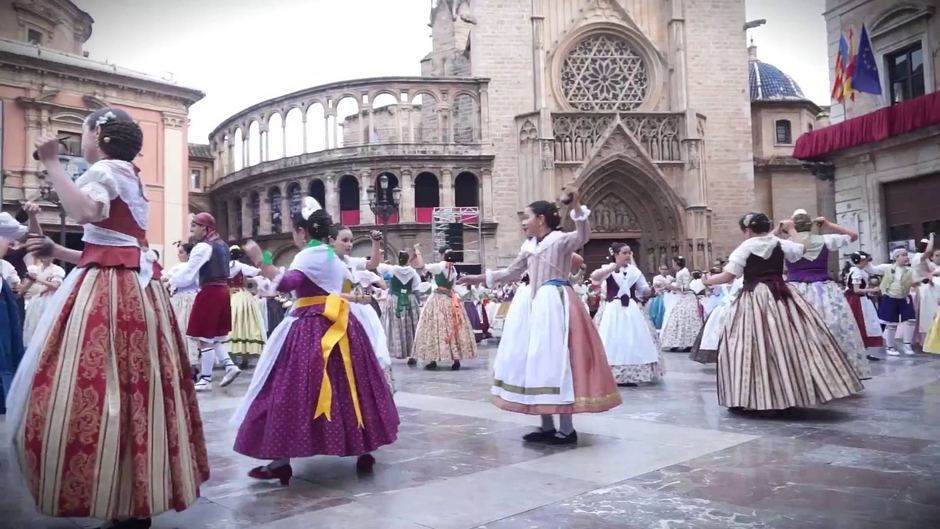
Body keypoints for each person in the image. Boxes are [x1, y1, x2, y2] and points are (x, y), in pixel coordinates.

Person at [8, 109, 209, 529]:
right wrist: (59, 252)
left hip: (111, 292)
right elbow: (113, 243)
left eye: (82, 134)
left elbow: (85, 212)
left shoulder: (104, 168)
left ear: (97, 134)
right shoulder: (130, 174)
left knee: (94, 386)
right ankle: (135, 494)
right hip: (135, 286)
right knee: (140, 388)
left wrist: (50, 162)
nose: (80, 142)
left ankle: (113, 490)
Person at [231, 197, 399, 481]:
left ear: (302, 232)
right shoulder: (332, 254)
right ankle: (364, 448)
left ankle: (280, 458)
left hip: (311, 326)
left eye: (295, 233)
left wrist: (262, 260)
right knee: (352, 385)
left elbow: (287, 283)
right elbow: (343, 285)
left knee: (288, 389)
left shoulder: (309, 254)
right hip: (343, 325)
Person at [458, 191, 620, 445]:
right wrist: (479, 278)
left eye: (527, 217)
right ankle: (545, 424)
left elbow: (583, 234)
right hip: (533, 307)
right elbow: (512, 272)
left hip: (556, 303)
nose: (523, 222)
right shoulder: (529, 246)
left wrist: (576, 205)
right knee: (535, 360)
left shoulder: (560, 241)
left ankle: (566, 429)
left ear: (541, 219)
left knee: (559, 361)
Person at [702, 213, 863, 412]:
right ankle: (788, 392)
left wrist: (708, 280)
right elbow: (801, 249)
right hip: (780, 294)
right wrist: (791, 230)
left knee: (748, 343)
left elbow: (728, 276)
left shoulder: (746, 247)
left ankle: (749, 394)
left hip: (754, 296)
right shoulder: (779, 243)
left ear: (748, 230)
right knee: (790, 340)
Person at [784, 210, 871, 380]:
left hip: (796, 289)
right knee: (833, 327)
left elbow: (760, 242)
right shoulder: (826, 240)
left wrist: (782, 229)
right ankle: (836, 370)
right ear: (810, 224)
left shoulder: (784, 243)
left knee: (799, 329)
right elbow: (853, 236)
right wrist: (828, 225)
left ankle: (804, 373)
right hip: (825, 290)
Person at [170, 213, 241, 391]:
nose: (193, 230)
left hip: (210, 291)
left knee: (203, 335)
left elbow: (189, 274)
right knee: (213, 336)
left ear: (205, 228)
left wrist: (171, 281)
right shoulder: (223, 245)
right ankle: (229, 366)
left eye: (195, 226)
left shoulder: (203, 247)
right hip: (223, 291)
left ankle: (206, 378)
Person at [329, 224, 394, 391]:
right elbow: (328, 294)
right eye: (344, 240)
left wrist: (375, 242)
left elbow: (373, 263)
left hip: (354, 308)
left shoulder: (349, 261)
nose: (349, 244)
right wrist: (356, 298)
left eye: (351, 240)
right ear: (331, 241)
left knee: (365, 347)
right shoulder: (328, 262)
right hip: (335, 310)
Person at [590, 242, 663, 386]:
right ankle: (611, 372)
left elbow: (643, 290)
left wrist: (653, 291)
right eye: (624, 253)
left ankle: (634, 372)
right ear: (616, 255)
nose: (628, 256)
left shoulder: (634, 271)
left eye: (629, 253)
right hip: (613, 308)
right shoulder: (608, 270)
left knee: (635, 338)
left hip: (631, 308)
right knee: (611, 338)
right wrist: (612, 267)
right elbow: (595, 277)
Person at [412, 247, 477, 370]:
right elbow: (452, 286)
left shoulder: (440, 266)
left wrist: (418, 251)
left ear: (442, 255)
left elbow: (421, 265)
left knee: (433, 327)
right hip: (450, 299)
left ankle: (433, 359)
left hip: (438, 298)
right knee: (452, 326)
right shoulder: (453, 269)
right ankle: (456, 359)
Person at [165, 242, 201, 374]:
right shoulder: (186, 268)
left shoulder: (186, 268)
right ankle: (189, 362)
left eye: (181, 252)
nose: (178, 255)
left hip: (186, 300)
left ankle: (190, 362)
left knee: (185, 330)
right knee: (184, 330)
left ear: (188, 254)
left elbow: (170, 279)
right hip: (182, 299)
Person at [227, 245, 266, 367]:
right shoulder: (240, 266)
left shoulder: (223, 266)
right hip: (241, 295)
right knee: (245, 324)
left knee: (231, 325)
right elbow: (257, 272)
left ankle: (230, 358)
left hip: (227, 295)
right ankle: (244, 358)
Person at [843, 251, 885, 359]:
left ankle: (865, 350)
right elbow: (856, 290)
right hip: (857, 301)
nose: (867, 262)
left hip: (860, 300)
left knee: (865, 324)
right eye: (865, 260)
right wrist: (871, 289)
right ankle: (860, 350)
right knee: (861, 324)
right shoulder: (857, 272)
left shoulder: (858, 271)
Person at [877, 248, 917, 356]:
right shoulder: (887, 268)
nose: (906, 257)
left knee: (911, 319)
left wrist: (917, 282)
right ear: (896, 257)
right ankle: (890, 347)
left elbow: (915, 281)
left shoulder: (910, 270)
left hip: (904, 297)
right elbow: (872, 269)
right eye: (903, 255)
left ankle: (907, 344)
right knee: (891, 323)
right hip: (890, 297)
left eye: (906, 255)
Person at [659, 256, 703, 351]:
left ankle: (689, 343)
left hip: (686, 298)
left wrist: (674, 288)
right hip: (680, 297)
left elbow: (686, 287)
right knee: (677, 319)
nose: (672, 265)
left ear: (676, 263)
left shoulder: (684, 272)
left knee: (685, 319)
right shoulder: (679, 272)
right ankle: (677, 342)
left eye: (673, 263)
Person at [21, 254, 65, 346]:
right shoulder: (35, 269)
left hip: (49, 300)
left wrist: (38, 280)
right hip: (36, 300)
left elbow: (55, 285)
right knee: (33, 324)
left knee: (46, 324)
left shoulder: (57, 270)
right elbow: (25, 286)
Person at [647, 265, 671, 330]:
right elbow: (656, 288)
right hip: (660, 295)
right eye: (663, 269)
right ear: (660, 270)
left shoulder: (669, 277)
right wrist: (664, 288)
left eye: (665, 269)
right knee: (659, 310)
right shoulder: (657, 278)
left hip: (669, 295)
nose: (664, 271)